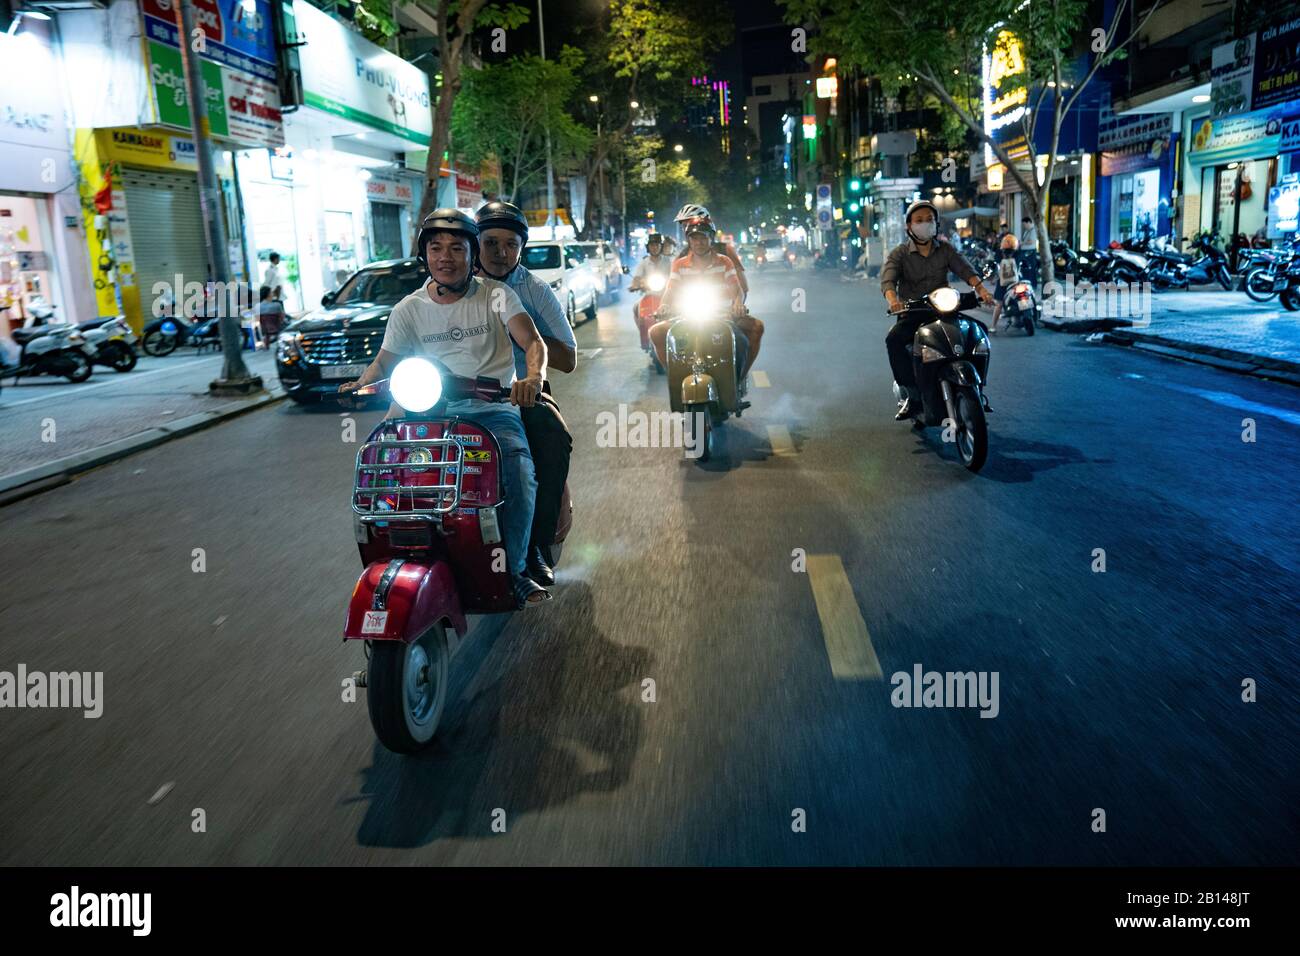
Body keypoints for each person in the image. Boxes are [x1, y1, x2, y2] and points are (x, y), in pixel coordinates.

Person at [338, 208, 552, 608]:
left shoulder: (497, 295)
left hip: (492, 410)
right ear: (425, 256)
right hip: (426, 411)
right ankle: (395, 557)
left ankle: (517, 569)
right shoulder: (409, 308)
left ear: (473, 255)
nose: (446, 257)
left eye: (457, 248)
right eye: (436, 248)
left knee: (520, 473)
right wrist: (360, 384)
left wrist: (532, 378)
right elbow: (384, 362)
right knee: (379, 469)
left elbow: (532, 341)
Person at [475, 199, 576, 587]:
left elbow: (569, 359)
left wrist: (527, 337)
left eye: (510, 245)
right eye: (491, 243)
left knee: (553, 438)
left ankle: (535, 546)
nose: (501, 253)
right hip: (455, 395)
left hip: (520, 396)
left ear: (522, 247)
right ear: (475, 243)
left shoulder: (534, 289)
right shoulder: (453, 287)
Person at [881, 199, 994, 421]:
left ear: (937, 224)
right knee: (894, 340)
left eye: (930, 220)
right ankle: (911, 396)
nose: (925, 224)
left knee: (979, 331)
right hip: (914, 312)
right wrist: (893, 300)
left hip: (944, 309)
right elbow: (888, 280)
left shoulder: (946, 249)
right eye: (919, 220)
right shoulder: (900, 254)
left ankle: (978, 388)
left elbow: (964, 269)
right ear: (909, 226)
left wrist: (981, 290)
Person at [649, 218, 763, 379]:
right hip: (686, 318)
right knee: (655, 332)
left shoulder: (725, 261)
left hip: (723, 318)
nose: (699, 242)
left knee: (742, 342)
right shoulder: (679, 264)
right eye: (694, 238)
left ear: (711, 239)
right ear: (689, 240)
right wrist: (664, 306)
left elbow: (737, 290)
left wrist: (738, 303)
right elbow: (670, 291)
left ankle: (737, 380)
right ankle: (675, 377)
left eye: (703, 238)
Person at [628, 232, 673, 349]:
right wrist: (634, 285)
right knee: (636, 308)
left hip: (666, 295)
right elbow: (637, 278)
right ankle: (644, 336)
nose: (655, 247)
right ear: (648, 247)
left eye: (657, 245)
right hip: (649, 294)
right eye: (652, 245)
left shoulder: (669, 261)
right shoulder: (644, 263)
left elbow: (675, 274)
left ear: (661, 247)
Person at [991, 233, 1022, 333]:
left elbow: (997, 265)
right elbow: (1021, 262)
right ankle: (1020, 320)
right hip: (1015, 281)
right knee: (1021, 299)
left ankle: (993, 326)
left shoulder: (999, 253)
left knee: (998, 304)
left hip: (1002, 282)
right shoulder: (1017, 252)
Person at [1019, 216, 1039, 286]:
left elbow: (1031, 241)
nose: (1024, 226)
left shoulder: (1033, 230)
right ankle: (1027, 283)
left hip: (1030, 252)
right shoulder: (1027, 230)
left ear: (1028, 222)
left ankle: (1032, 284)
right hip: (1025, 251)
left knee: (1030, 268)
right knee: (1025, 268)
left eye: (1024, 224)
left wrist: (1022, 243)